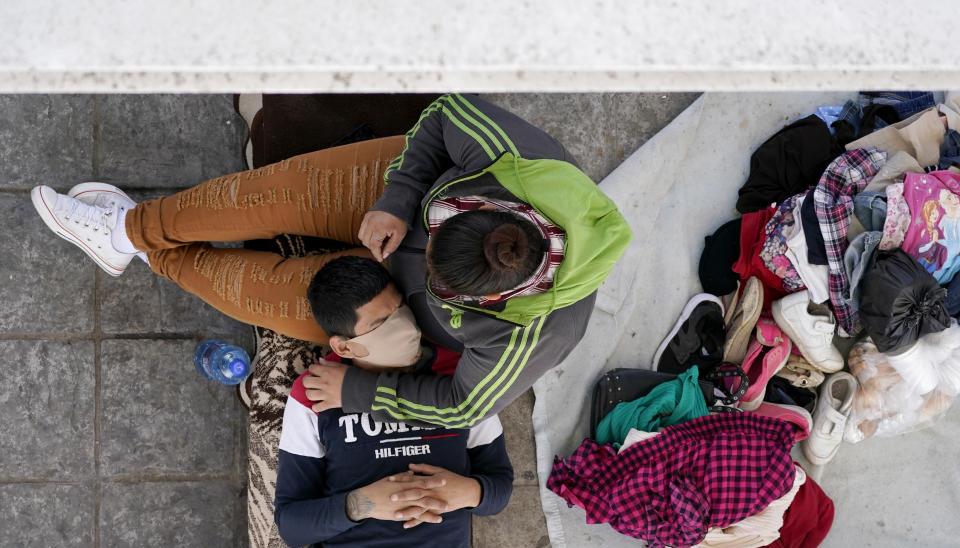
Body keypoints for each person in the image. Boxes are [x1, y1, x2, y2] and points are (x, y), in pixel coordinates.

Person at [30, 93, 631, 429]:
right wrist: (399, 202)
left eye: (444, 290)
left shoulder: (537, 333)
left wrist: (363, 391)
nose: (420, 265)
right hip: (396, 195)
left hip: (388, 314)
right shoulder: (521, 160)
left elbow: (465, 407)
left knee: (263, 293)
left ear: (493, 305)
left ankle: (140, 253)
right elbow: (444, 116)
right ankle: (130, 227)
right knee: (268, 197)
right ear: (480, 202)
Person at [274, 255, 512, 548]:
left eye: (399, 309)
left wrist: (469, 492)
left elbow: (499, 486)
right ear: (345, 348)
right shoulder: (315, 392)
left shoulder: (459, 375)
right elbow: (291, 525)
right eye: (380, 325)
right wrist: (362, 504)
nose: (403, 326)